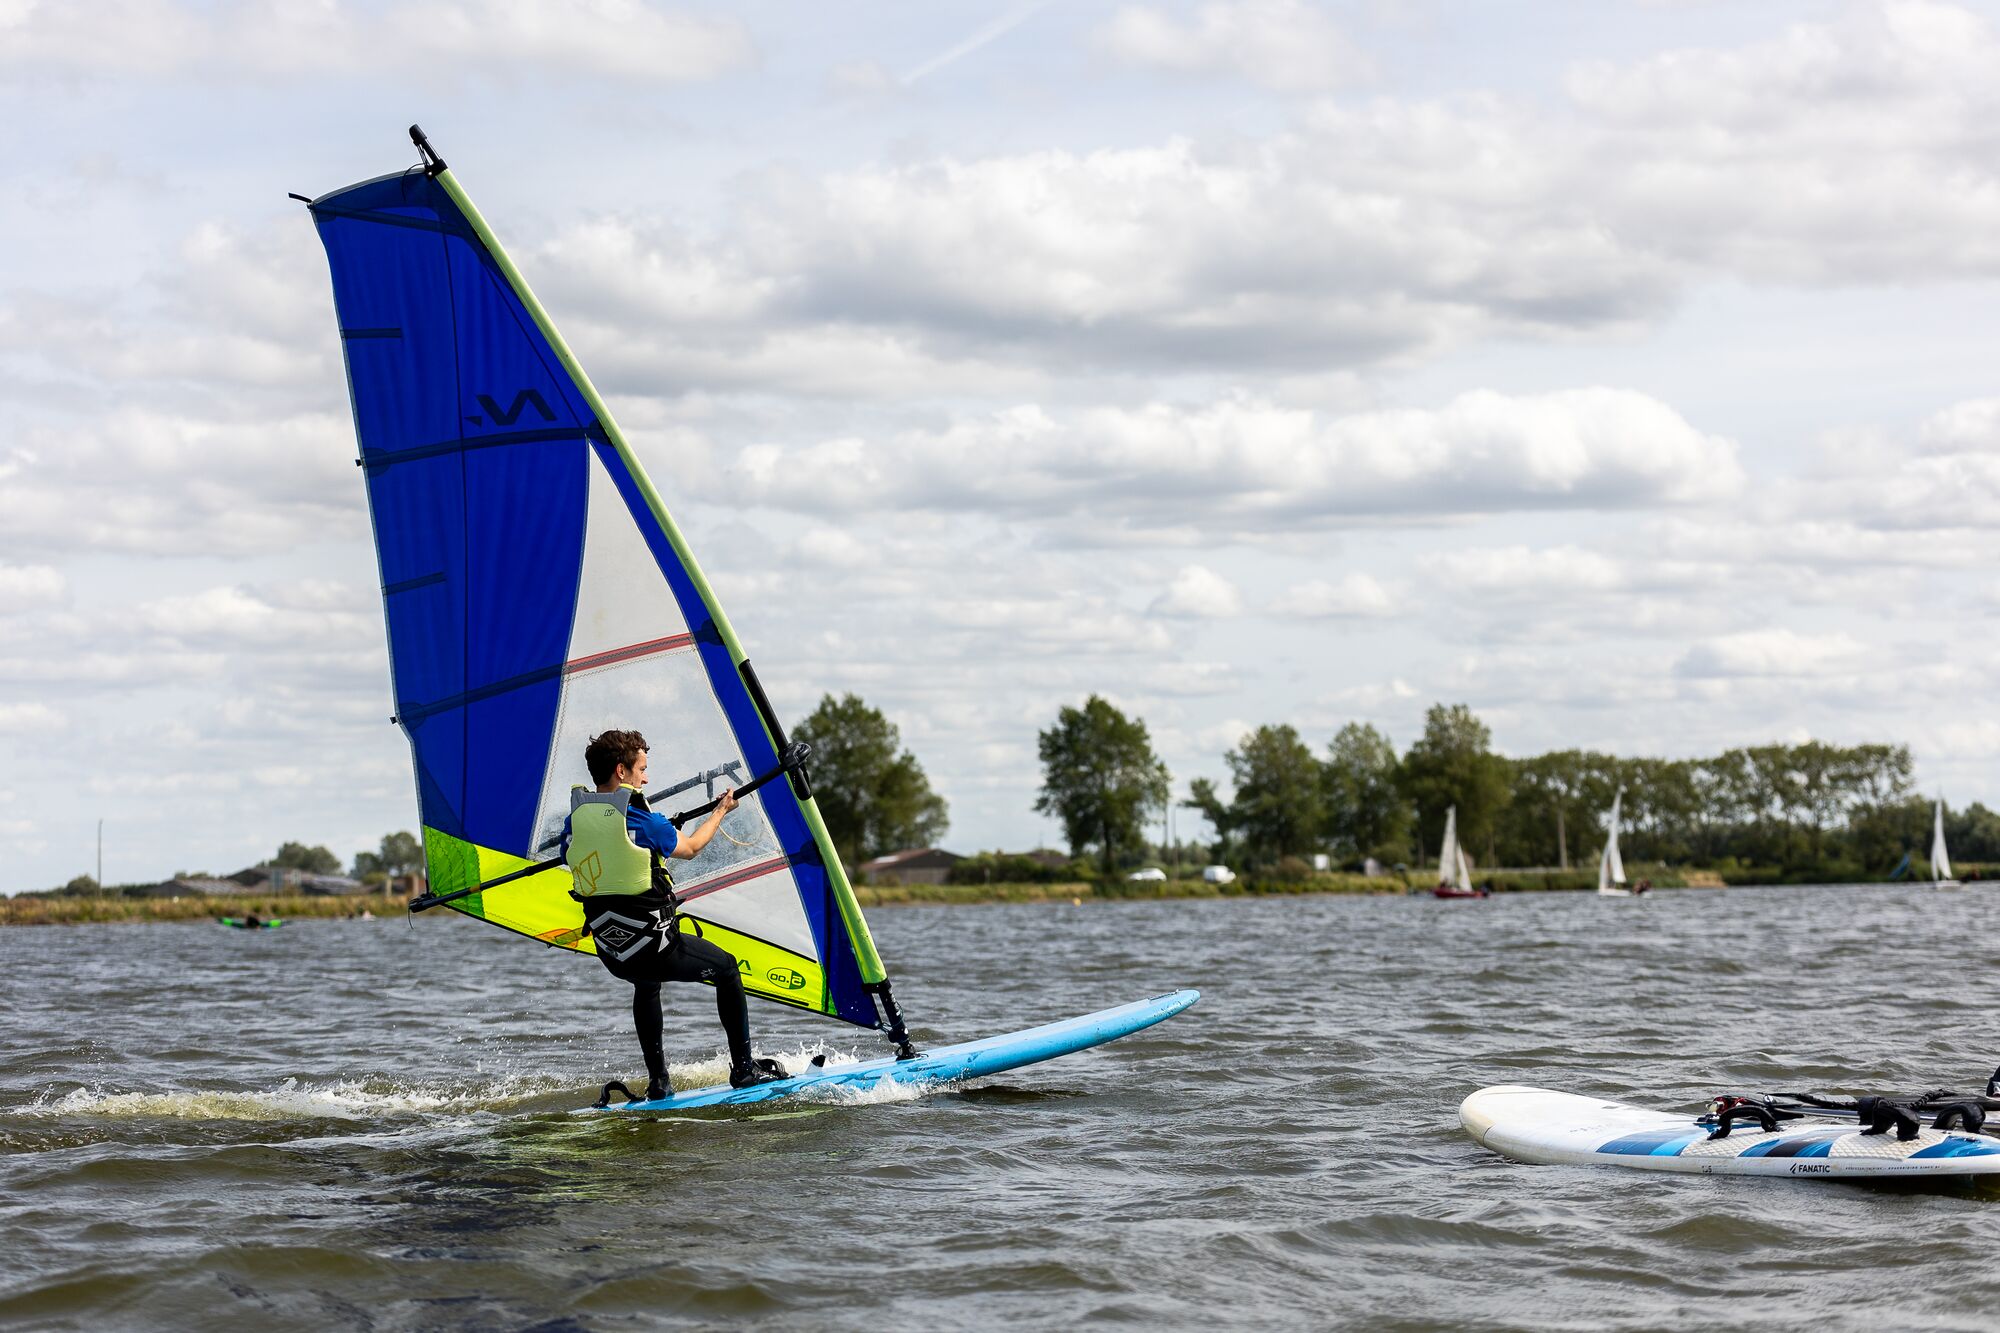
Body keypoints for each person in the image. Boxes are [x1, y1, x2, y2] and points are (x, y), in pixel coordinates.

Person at [561, 729, 784, 1100]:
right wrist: (720, 811)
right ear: (621, 770)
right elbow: (693, 847)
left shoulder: (574, 824)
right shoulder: (649, 824)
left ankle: (659, 1082)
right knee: (727, 969)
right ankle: (744, 1071)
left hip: (614, 953)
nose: (646, 778)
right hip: (656, 948)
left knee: (646, 984)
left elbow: (609, 851)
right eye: (642, 769)